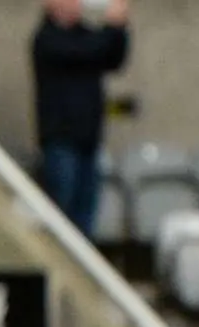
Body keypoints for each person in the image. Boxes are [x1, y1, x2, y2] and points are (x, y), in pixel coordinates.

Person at [27, 0, 127, 232]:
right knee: (62, 212)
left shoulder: (86, 35)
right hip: (60, 140)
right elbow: (85, 51)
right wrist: (111, 27)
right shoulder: (47, 39)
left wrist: (120, 29)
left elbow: (113, 57)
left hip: (89, 139)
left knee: (86, 216)